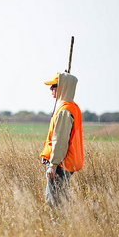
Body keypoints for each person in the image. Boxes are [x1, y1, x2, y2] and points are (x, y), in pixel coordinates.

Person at [39, 72, 83, 206]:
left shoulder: (64, 110)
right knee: (60, 198)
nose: (51, 89)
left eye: (54, 86)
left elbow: (60, 140)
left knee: (55, 202)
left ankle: (58, 225)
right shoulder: (72, 107)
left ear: (63, 87)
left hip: (60, 164)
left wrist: (53, 164)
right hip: (64, 162)